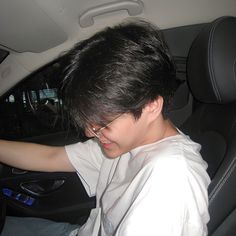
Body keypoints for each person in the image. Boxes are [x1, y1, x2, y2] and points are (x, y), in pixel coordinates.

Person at [0, 19, 210, 236]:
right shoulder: (128, 142)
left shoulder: (171, 181)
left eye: (102, 123)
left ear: (151, 106)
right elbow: (51, 157)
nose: (90, 132)